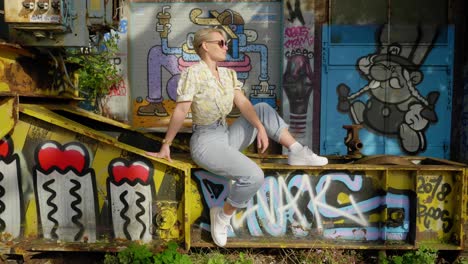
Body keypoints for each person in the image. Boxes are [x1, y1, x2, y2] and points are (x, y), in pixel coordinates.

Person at [147, 28, 328, 247]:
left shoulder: (227, 74)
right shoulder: (193, 73)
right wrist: (166, 144)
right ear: (205, 46)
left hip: (226, 135)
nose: (226, 47)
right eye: (221, 43)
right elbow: (181, 110)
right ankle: (222, 216)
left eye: (226, 43)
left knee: (261, 108)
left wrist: (260, 127)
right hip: (206, 141)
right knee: (254, 176)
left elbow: (243, 103)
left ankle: (297, 151)